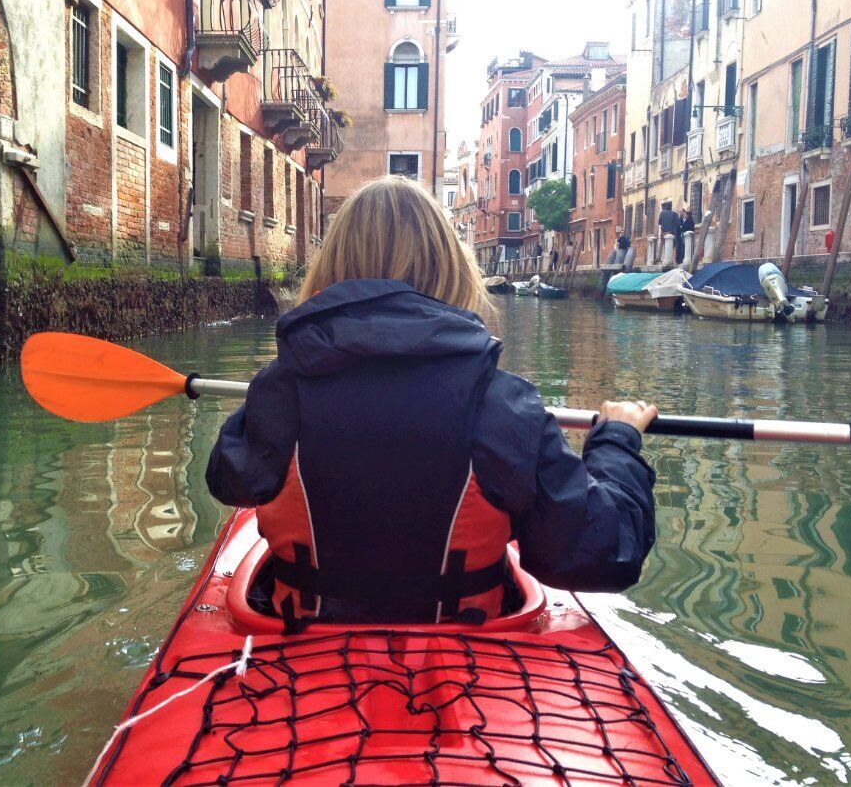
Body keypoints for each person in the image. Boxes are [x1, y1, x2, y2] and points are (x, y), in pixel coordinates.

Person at [206, 176, 659, 627]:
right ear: (450, 266)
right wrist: (616, 441)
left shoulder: (280, 389)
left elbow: (228, 480)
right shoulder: (502, 400)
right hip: (467, 648)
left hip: (304, 644)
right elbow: (602, 552)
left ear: (330, 268)